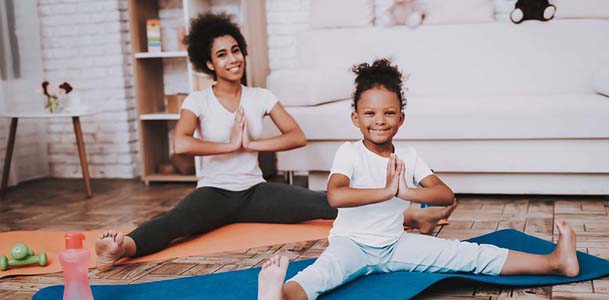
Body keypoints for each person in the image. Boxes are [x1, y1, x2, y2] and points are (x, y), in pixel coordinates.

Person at [94, 13, 451, 271]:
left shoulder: (260, 96)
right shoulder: (197, 101)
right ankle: (123, 246)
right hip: (215, 191)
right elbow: (182, 144)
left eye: (236, 50)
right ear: (208, 63)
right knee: (176, 223)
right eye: (222, 54)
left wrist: (252, 145)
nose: (233, 59)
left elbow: (297, 136)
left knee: (323, 202)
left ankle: (412, 219)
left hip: (256, 191)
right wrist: (228, 147)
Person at [257, 59, 580, 300]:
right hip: (351, 245)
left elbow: (444, 193)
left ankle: (555, 262)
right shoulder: (349, 153)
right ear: (355, 118)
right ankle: (281, 296)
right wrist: (386, 192)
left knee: (469, 255)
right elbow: (335, 196)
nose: (379, 121)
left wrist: (408, 191)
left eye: (388, 113)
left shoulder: (408, 157)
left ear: (401, 118)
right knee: (321, 276)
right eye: (369, 114)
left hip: (396, 245)